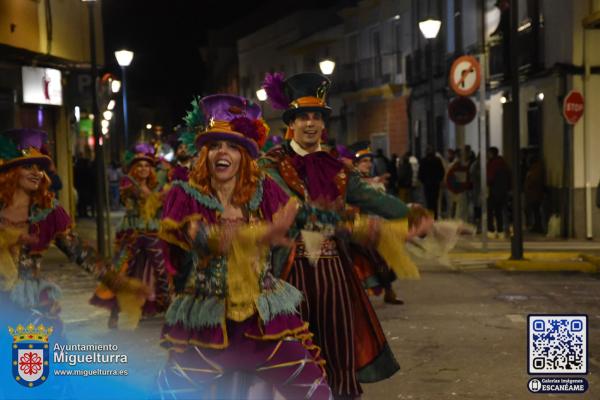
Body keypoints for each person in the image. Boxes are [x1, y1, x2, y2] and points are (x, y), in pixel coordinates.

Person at [261, 72, 433, 398]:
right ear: (292, 123)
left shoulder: (339, 169)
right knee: (290, 354)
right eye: (303, 117)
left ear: (323, 125)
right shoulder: (270, 167)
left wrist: (411, 215)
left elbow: (375, 199)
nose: (310, 124)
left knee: (338, 347)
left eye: (317, 117)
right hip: (287, 271)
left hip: (333, 273)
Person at [157, 94, 330, 399]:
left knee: (316, 390)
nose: (222, 152)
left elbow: (312, 218)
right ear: (204, 154)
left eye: (232, 146)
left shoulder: (265, 192)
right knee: (168, 393)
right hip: (210, 327)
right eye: (215, 146)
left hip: (264, 325)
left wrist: (381, 228)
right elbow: (199, 238)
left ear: (245, 156)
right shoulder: (184, 195)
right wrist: (261, 234)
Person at [0, 129, 141, 337]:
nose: (37, 172)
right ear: (11, 172)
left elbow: (79, 251)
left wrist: (115, 281)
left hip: (30, 304)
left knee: (31, 366)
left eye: (39, 168)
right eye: (28, 166)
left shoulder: (48, 212)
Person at [90, 143, 169, 329]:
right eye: (140, 165)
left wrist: (159, 195)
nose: (143, 169)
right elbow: (136, 201)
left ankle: (164, 308)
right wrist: (153, 196)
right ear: (134, 168)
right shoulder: (127, 184)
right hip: (132, 234)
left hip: (151, 232)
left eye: (147, 166)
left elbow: (160, 206)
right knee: (123, 271)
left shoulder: (156, 187)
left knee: (161, 271)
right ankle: (115, 312)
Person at [352, 147, 404, 305]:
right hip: (355, 228)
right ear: (355, 164)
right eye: (364, 161)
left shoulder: (373, 181)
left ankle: (388, 291)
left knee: (384, 259)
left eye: (370, 161)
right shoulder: (352, 181)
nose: (368, 164)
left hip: (374, 226)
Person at [486, 146, 511, 238]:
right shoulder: (504, 163)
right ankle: (501, 230)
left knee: (490, 210)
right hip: (503, 192)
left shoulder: (492, 164)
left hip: (493, 191)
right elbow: (509, 177)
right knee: (499, 212)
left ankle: (491, 230)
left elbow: (490, 178)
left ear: (492, 154)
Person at [419, 145, 445, 218]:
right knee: (435, 202)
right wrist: (439, 180)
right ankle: (435, 216)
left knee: (428, 202)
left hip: (427, 185)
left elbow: (420, 174)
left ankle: (430, 216)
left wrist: (423, 181)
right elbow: (442, 172)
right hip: (435, 184)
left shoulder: (423, 161)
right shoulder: (437, 160)